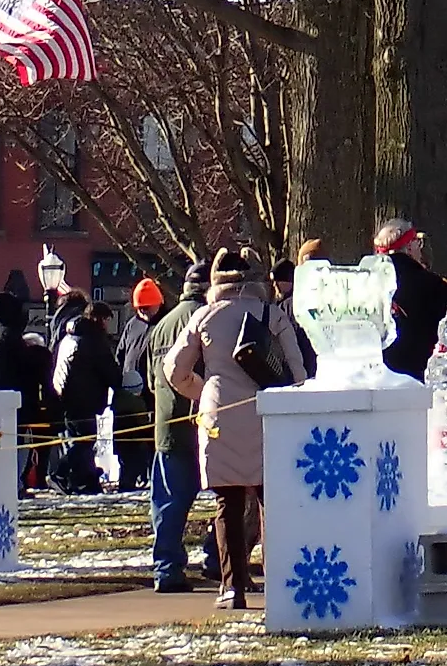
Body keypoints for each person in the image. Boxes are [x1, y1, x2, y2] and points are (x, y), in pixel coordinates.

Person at [164, 248, 306, 608]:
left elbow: (173, 370)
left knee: (227, 501)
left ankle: (232, 587)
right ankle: (279, 580)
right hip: (265, 413)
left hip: (219, 414)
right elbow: (297, 370)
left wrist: (205, 390)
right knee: (268, 500)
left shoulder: (203, 316)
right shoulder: (269, 313)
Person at [143, 261, 208, 592]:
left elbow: (152, 384)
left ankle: (166, 569)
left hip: (167, 426)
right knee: (229, 498)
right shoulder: (211, 319)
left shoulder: (162, 325)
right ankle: (217, 559)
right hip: (208, 425)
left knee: (168, 504)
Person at [0, 289, 52, 494]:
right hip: (15, 401)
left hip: (4, 398)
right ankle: (15, 484)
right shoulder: (8, 335)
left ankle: (15, 483)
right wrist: (38, 354)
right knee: (17, 444)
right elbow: (23, 364)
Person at [49, 300, 120, 493]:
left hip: (67, 397)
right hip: (84, 399)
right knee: (84, 442)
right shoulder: (93, 340)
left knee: (79, 441)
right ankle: (59, 473)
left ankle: (84, 480)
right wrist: (120, 384)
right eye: (106, 319)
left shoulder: (69, 338)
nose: (107, 325)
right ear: (99, 319)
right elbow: (111, 371)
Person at [376, 220, 447, 378]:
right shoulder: (434, 286)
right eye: (417, 242)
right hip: (420, 380)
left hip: (376, 380)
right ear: (410, 246)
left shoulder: (366, 285)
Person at [111, 279, 165, 491]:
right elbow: (121, 355)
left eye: (146, 307)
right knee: (126, 441)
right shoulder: (132, 325)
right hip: (128, 397)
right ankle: (128, 480)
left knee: (152, 442)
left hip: (152, 395)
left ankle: (153, 480)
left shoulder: (163, 325)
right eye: (139, 308)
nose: (142, 311)